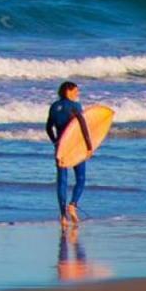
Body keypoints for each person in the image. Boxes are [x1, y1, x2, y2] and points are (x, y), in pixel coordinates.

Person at [46, 80, 93, 227]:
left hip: (61, 147)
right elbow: (83, 126)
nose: (77, 93)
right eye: (76, 91)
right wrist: (89, 146)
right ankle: (73, 205)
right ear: (68, 91)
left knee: (62, 180)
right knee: (80, 178)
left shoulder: (54, 107)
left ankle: (63, 216)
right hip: (75, 146)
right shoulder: (75, 106)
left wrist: (55, 142)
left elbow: (48, 128)